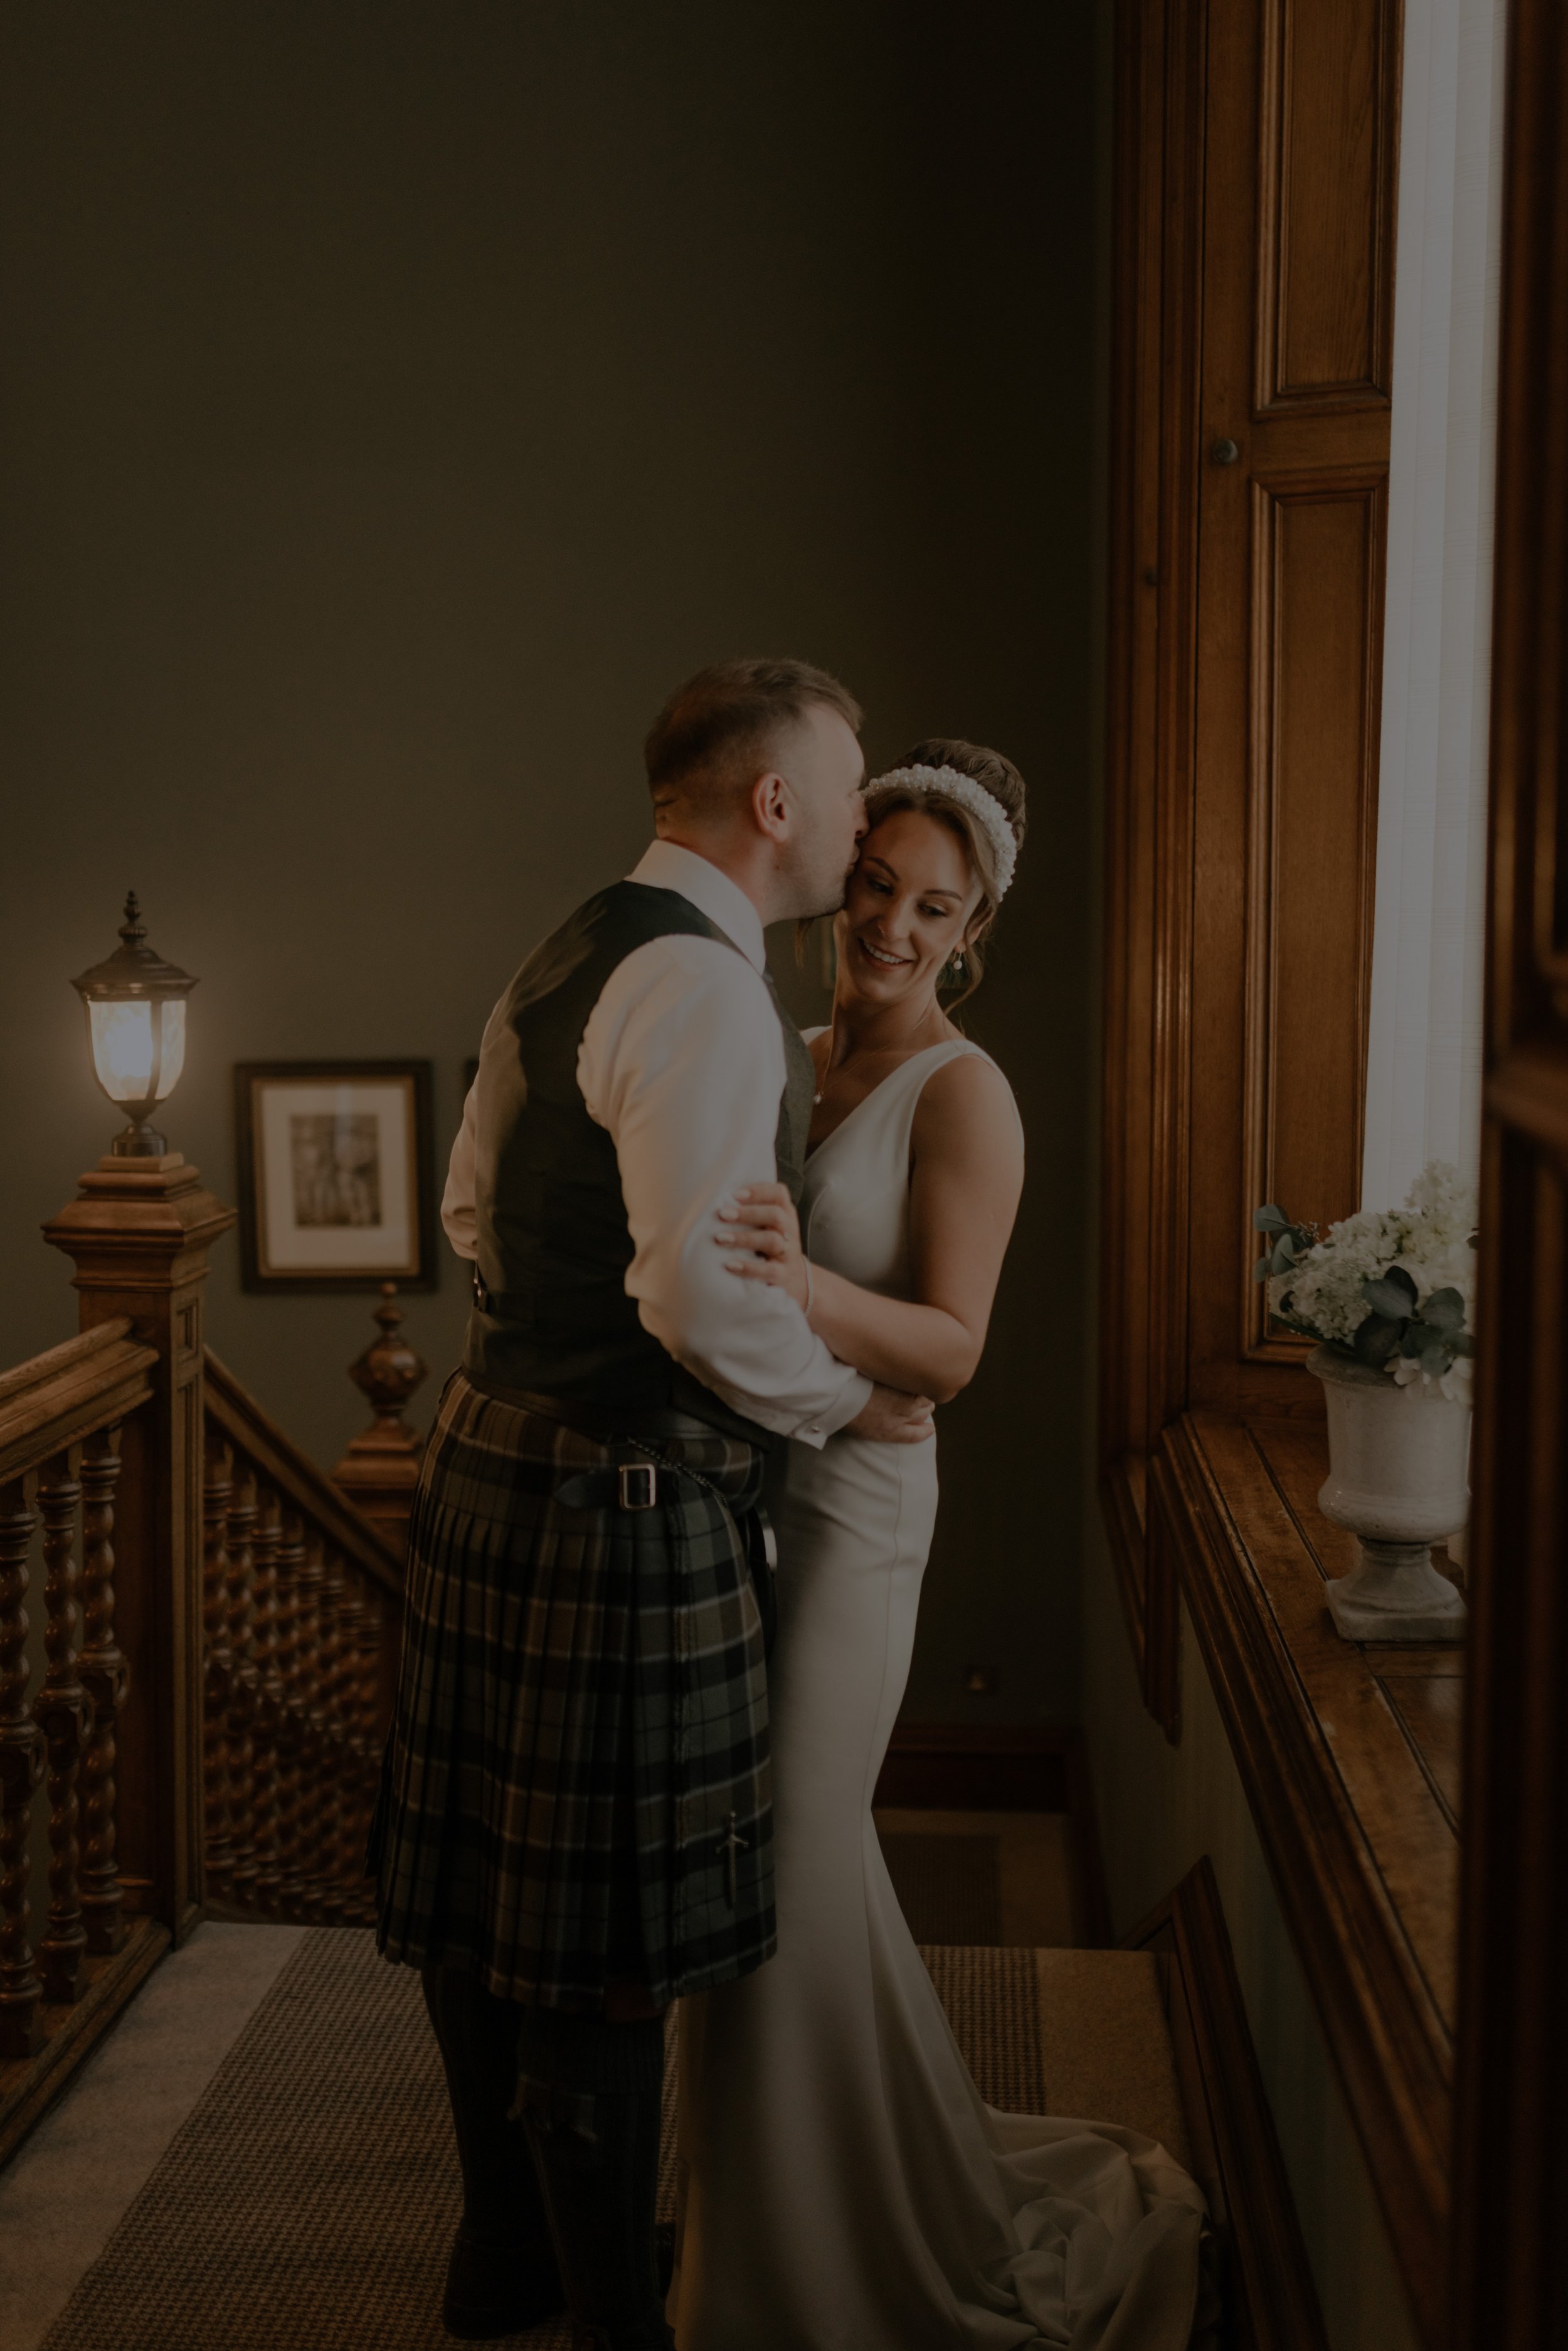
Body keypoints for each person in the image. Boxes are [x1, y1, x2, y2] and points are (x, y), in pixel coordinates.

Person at [370, 657, 934, 2351]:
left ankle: (505, 2259)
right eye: (841, 793)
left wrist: (556, 1344)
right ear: (774, 805)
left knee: (486, 1894)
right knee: (601, 1942)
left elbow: (471, 1207)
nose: (851, 821)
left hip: (491, 1454)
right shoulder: (707, 987)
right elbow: (699, 1299)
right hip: (621, 1505)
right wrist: (853, 1401)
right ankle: (612, 2319)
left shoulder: (575, 940)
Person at [669, 744, 1207, 2349]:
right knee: (793, 1872)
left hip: (853, 1521)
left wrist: (810, 1291)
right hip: (748, 1498)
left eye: (933, 907)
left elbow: (953, 1348)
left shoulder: (966, 1092)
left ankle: (803, 2282)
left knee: (780, 1872)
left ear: (970, 932)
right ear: (841, 878)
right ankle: (803, 2195)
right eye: (876, 885)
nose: (893, 923)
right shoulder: (789, 1046)